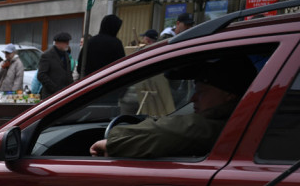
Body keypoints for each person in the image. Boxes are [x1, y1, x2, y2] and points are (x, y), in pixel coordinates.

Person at [89, 56, 257, 159]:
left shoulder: (221, 126)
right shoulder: (242, 118)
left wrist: (113, 141)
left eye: (202, 92)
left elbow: (173, 131)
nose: (192, 99)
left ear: (230, 95)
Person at [37, 32, 74, 99]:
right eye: (65, 42)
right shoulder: (47, 55)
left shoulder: (66, 55)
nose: (67, 44)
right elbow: (41, 75)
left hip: (64, 94)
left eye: (68, 42)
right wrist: (55, 88)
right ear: (57, 43)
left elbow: (68, 73)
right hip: (51, 95)